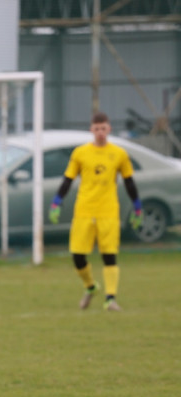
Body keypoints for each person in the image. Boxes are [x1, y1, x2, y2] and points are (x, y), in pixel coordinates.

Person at [48, 111, 142, 312]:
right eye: (97, 128)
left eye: (104, 128)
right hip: (84, 210)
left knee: (109, 254)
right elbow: (68, 179)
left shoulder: (119, 154)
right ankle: (90, 286)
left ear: (109, 129)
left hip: (108, 211)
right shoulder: (80, 153)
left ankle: (110, 298)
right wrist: (57, 201)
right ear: (91, 130)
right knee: (77, 256)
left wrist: (137, 206)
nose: (100, 132)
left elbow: (129, 181)